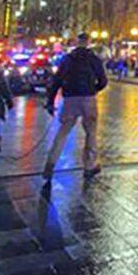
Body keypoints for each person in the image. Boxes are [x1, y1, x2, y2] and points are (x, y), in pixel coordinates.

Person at [42, 33, 108, 185]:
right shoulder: (94, 59)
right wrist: (94, 89)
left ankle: (50, 164)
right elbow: (103, 81)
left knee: (62, 132)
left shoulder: (68, 59)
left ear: (77, 42)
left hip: (70, 98)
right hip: (88, 99)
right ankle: (89, 166)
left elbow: (56, 80)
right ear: (89, 43)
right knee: (91, 132)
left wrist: (51, 101)